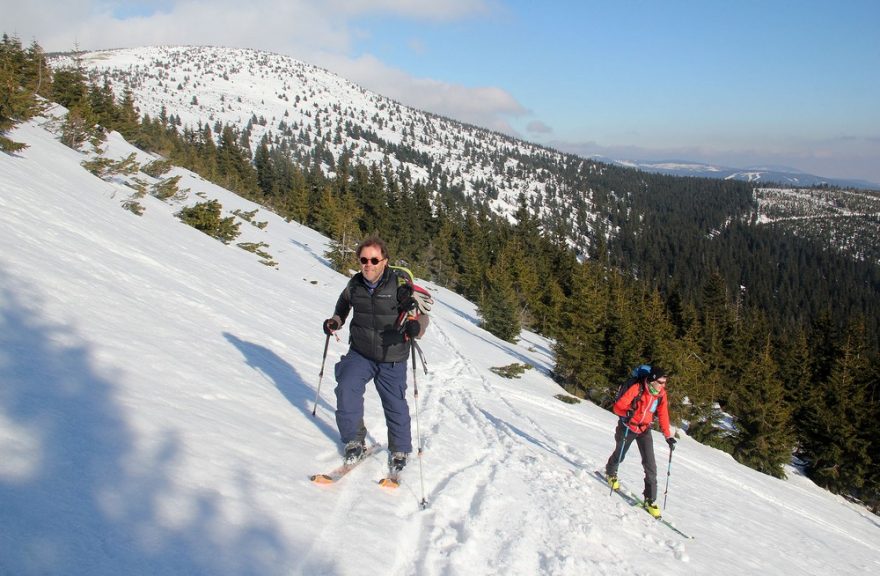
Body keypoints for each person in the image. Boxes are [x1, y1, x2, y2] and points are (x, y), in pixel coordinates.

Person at [322, 236, 432, 473]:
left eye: (374, 259)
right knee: (346, 387)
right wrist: (335, 321)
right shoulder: (355, 284)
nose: (368, 264)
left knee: (394, 403)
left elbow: (423, 314)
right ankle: (354, 441)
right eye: (363, 259)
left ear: (385, 261)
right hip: (361, 352)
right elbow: (343, 304)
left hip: (392, 355)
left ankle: (400, 449)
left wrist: (417, 328)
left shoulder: (400, 285)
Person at [604, 366, 677, 518]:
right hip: (628, 427)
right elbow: (617, 408)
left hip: (644, 430)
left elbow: (663, 414)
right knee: (620, 454)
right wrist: (627, 413)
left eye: (665, 382)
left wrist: (668, 436)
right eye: (661, 382)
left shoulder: (661, 395)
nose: (663, 386)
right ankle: (610, 473)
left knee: (650, 464)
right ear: (652, 380)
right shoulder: (637, 388)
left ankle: (650, 499)